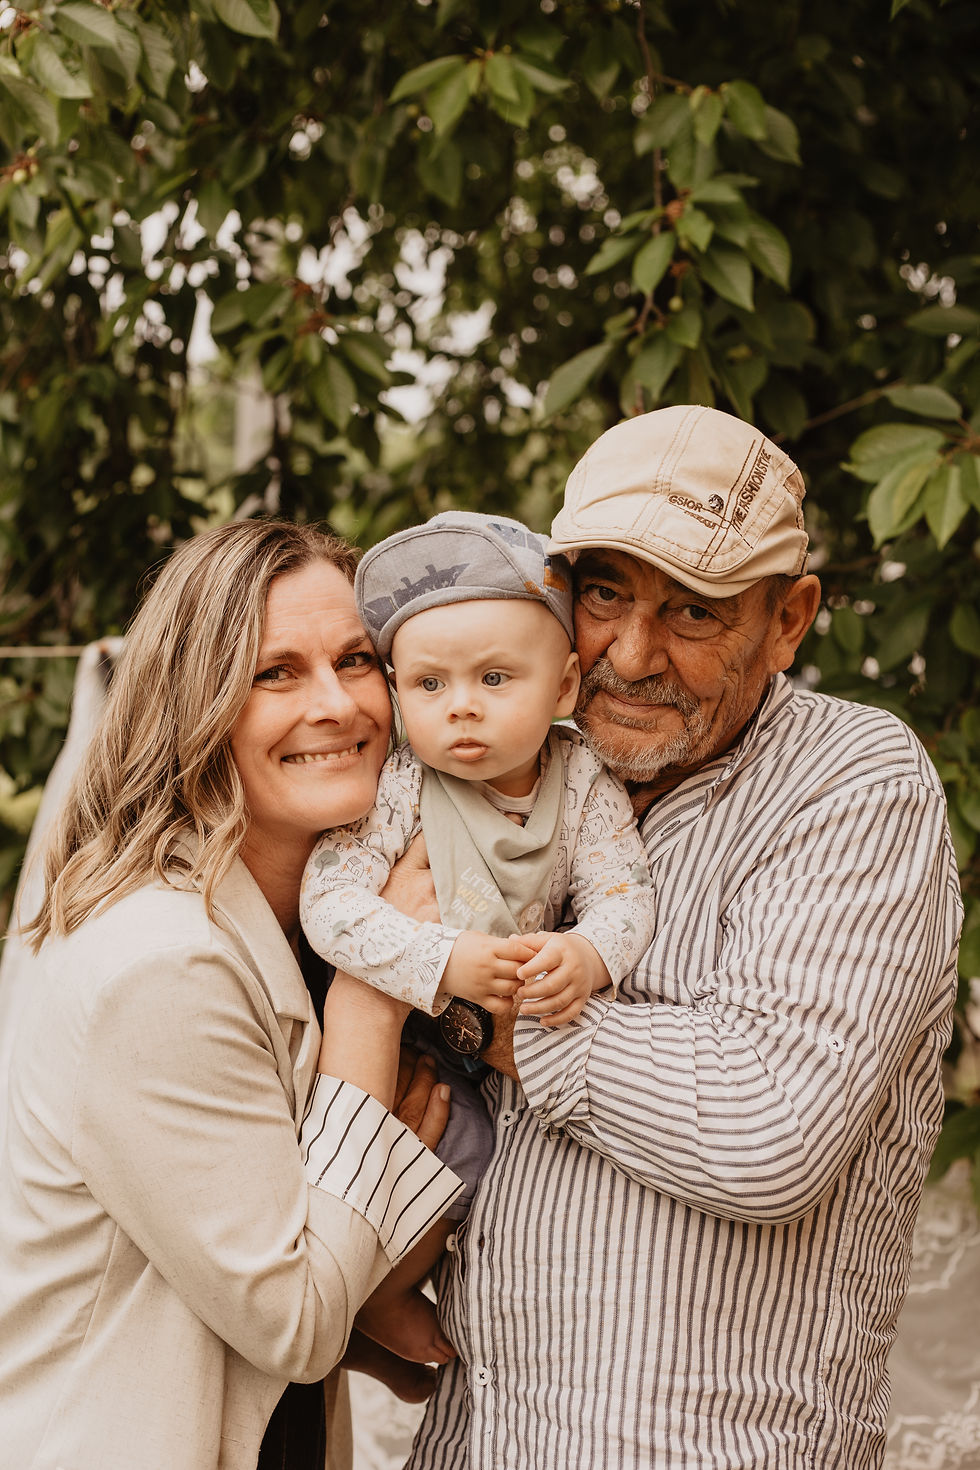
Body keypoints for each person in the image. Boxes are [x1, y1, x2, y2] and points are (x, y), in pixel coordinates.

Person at [405, 404, 964, 1470]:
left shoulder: (853, 783)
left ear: (789, 618)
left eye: (693, 612)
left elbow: (766, 1126)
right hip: (477, 1439)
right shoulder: (521, 765)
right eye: (601, 592)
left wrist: (478, 1007)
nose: (627, 653)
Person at [0, 520, 463, 1470]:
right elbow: (295, 1318)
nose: (334, 703)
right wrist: (373, 1005)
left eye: (355, 659)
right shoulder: (162, 966)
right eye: (275, 674)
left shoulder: (298, 928)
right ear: (194, 705)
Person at [298, 510, 655, 1366]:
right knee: (405, 1155)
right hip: (393, 1035)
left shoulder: (583, 784)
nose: (460, 708)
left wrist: (591, 952)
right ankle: (373, 1298)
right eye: (427, 685)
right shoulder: (401, 787)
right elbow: (330, 902)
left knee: (480, 1171)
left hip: (505, 1050)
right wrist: (438, 960)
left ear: (565, 687)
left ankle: (399, 1297)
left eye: (496, 679)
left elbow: (624, 890)